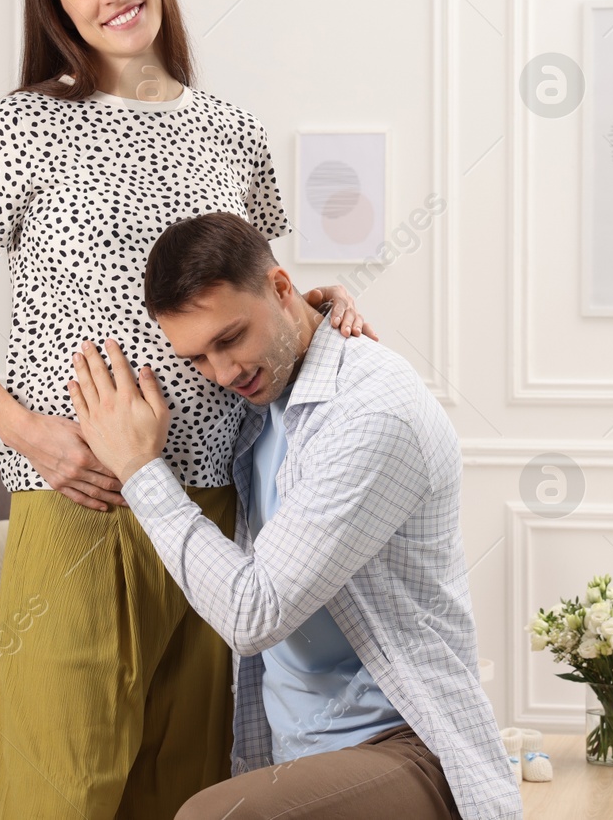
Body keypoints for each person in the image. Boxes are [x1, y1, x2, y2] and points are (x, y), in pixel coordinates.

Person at [0, 0, 373, 820]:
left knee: (186, 787)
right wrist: (29, 433)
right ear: (58, 12)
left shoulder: (233, 129)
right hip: (80, 499)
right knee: (58, 793)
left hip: (217, 500)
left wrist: (319, 304)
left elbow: (252, 291)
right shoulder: (23, 126)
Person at [63, 211, 524, 820]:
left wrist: (140, 471)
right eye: (198, 357)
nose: (223, 373)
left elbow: (254, 614)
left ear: (281, 289)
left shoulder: (372, 410)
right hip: (294, 754)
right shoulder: (259, 401)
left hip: (408, 744)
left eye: (231, 339)